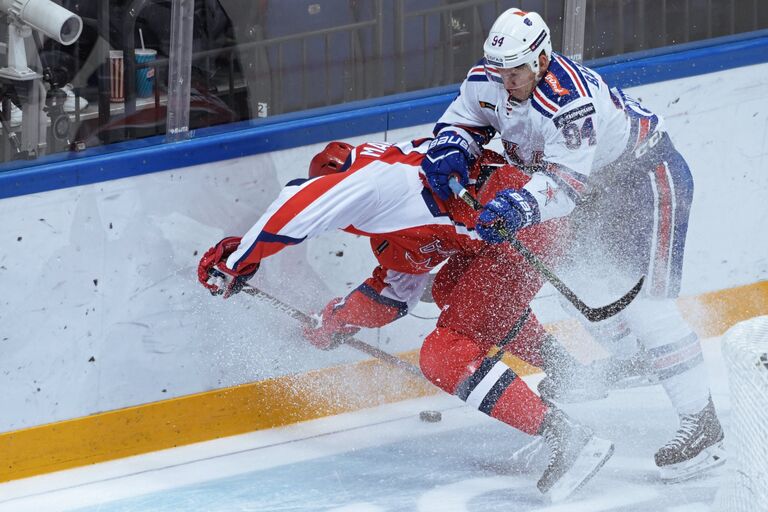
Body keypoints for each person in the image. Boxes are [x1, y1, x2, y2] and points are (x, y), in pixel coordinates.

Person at [198, 138, 614, 502]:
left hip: (522, 225)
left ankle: (571, 439)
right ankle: (567, 372)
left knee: (443, 354)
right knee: (454, 290)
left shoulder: (373, 178)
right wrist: (335, 320)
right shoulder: (395, 206)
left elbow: (299, 204)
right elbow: (394, 296)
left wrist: (236, 260)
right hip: (523, 224)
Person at [419, 7, 724, 482]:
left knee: (646, 306)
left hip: (644, 177)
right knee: (579, 278)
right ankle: (635, 359)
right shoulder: (490, 78)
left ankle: (703, 426)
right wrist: (451, 146)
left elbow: (563, 188)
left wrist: (519, 207)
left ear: (541, 58)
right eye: (500, 71)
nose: (507, 82)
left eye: (517, 71)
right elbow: (464, 119)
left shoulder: (568, 102)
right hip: (595, 188)